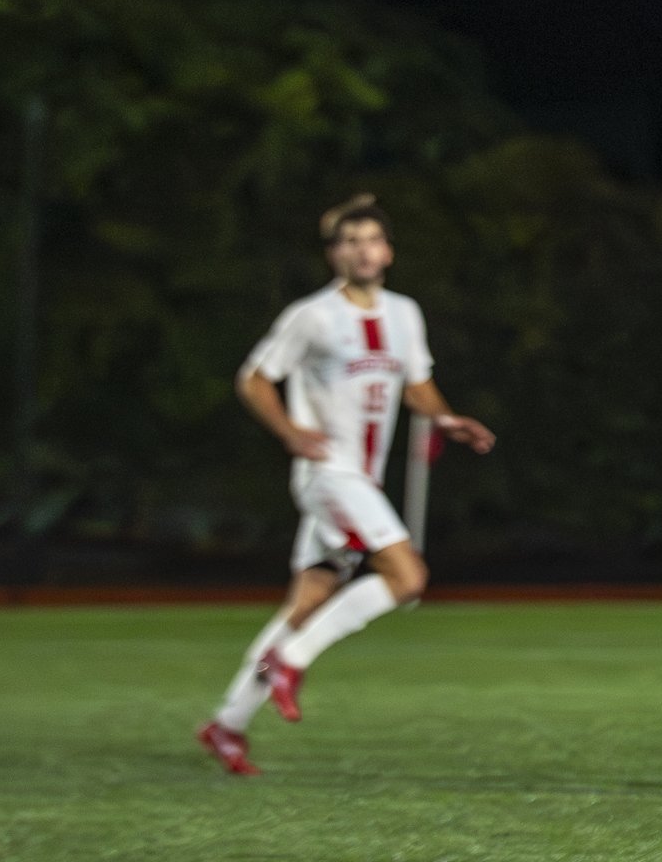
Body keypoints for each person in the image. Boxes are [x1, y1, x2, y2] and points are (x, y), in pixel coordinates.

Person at [195, 197, 496, 776]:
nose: (362, 249)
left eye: (371, 239)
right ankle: (293, 661)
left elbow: (417, 384)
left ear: (388, 251)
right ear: (333, 254)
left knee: (306, 602)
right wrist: (289, 432)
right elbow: (254, 379)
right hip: (328, 474)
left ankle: (226, 725)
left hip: (362, 478)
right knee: (407, 578)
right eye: (349, 240)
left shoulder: (405, 313)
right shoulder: (311, 316)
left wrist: (447, 418)